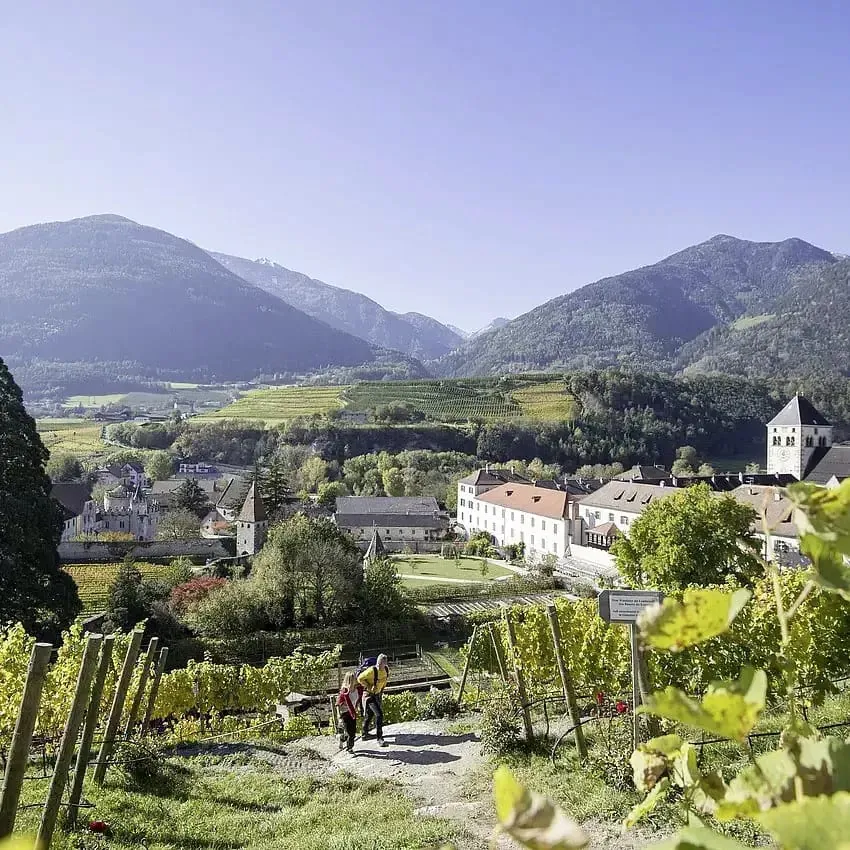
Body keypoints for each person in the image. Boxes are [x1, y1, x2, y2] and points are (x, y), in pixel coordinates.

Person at [358, 653, 389, 747]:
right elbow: (360, 678)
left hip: (377, 695)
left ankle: (364, 734)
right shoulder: (372, 670)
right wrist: (368, 686)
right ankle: (380, 738)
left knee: (370, 714)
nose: (379, 666)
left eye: (381, 665)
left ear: (385, 664)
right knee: (379, 715)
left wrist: (381, 691)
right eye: (378, 664)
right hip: (369, 695)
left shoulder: (386, 670)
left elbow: (385, 681)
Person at [336, 671, 359, 754]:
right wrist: (339, 715)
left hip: (352, 712)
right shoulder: (344, 692)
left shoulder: (357, 689)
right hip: (345, 713)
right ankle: (349, 747)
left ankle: (344, 740)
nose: (356, 680)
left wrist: (357, 707)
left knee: (352, 731)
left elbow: (357, 700)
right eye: (354, 679)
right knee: (349, 732)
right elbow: (338, 704)